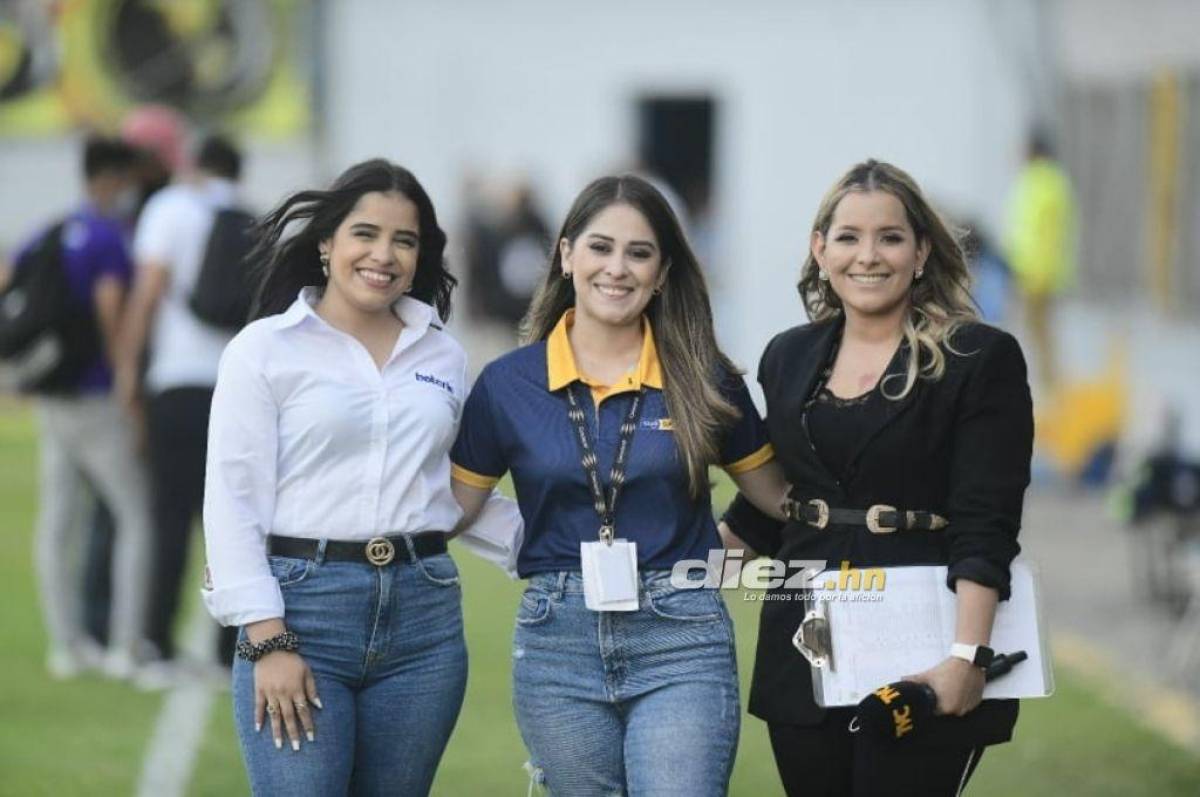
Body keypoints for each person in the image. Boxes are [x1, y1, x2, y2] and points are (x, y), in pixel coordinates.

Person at [450, 175, 791, 796]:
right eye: (600, 247)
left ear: (662, 272)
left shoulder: (705, 376)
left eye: (639, 253)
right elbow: (453, 509)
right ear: (565, 255)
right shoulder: (506, 384)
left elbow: (780, 500)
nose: (618, 268)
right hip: (557, 643)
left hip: (681, 636)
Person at [721, 159, 1034, 796]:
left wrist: (967, 657)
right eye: (848, 237)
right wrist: (668, 581)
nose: (869, 256)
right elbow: (773, 502)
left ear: (921, 251)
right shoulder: (787, 356)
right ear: (820, 249)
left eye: (889, 237)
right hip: (803, 645)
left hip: (922, 644)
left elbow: (987, 522)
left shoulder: (979, 358)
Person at [201, 159, 469, 795]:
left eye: (405, 240)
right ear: (327, 242)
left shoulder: (444, 354)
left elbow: (453, 489)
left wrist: (560, 544)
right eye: (365, 234)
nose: (384, 255)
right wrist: (268, 640)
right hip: (303, 611)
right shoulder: (263, 350)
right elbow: (233, 499)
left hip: (424, 621)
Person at [115, 134, 245, 678]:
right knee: (232, 517)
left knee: (168, 515)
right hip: (236, 383)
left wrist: (127, 372)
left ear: (192, 163)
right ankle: (226, 650)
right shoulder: (247, 215)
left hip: (178, 379)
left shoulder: (170, 208)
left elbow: (147, 293)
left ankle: (156, 646)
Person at [25, 135, 153, 678]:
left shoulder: (52, 231)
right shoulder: (107, 237)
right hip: (96, 396)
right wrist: (126, 375)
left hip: (51, 394)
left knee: (57, 521)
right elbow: (110, 307)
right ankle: (126, 643)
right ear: (114, 177)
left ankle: (66, 644)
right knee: (136, 515)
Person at [1006, 129, 1076, 392]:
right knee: (1038, 332)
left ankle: (1049, 387)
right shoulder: (1047, 179)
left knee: (1038, 333)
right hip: (1033, 269)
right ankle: (1047, 384)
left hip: (1035, 272)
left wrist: (1036, 272)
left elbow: (1045, 233)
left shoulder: (1042, 181)